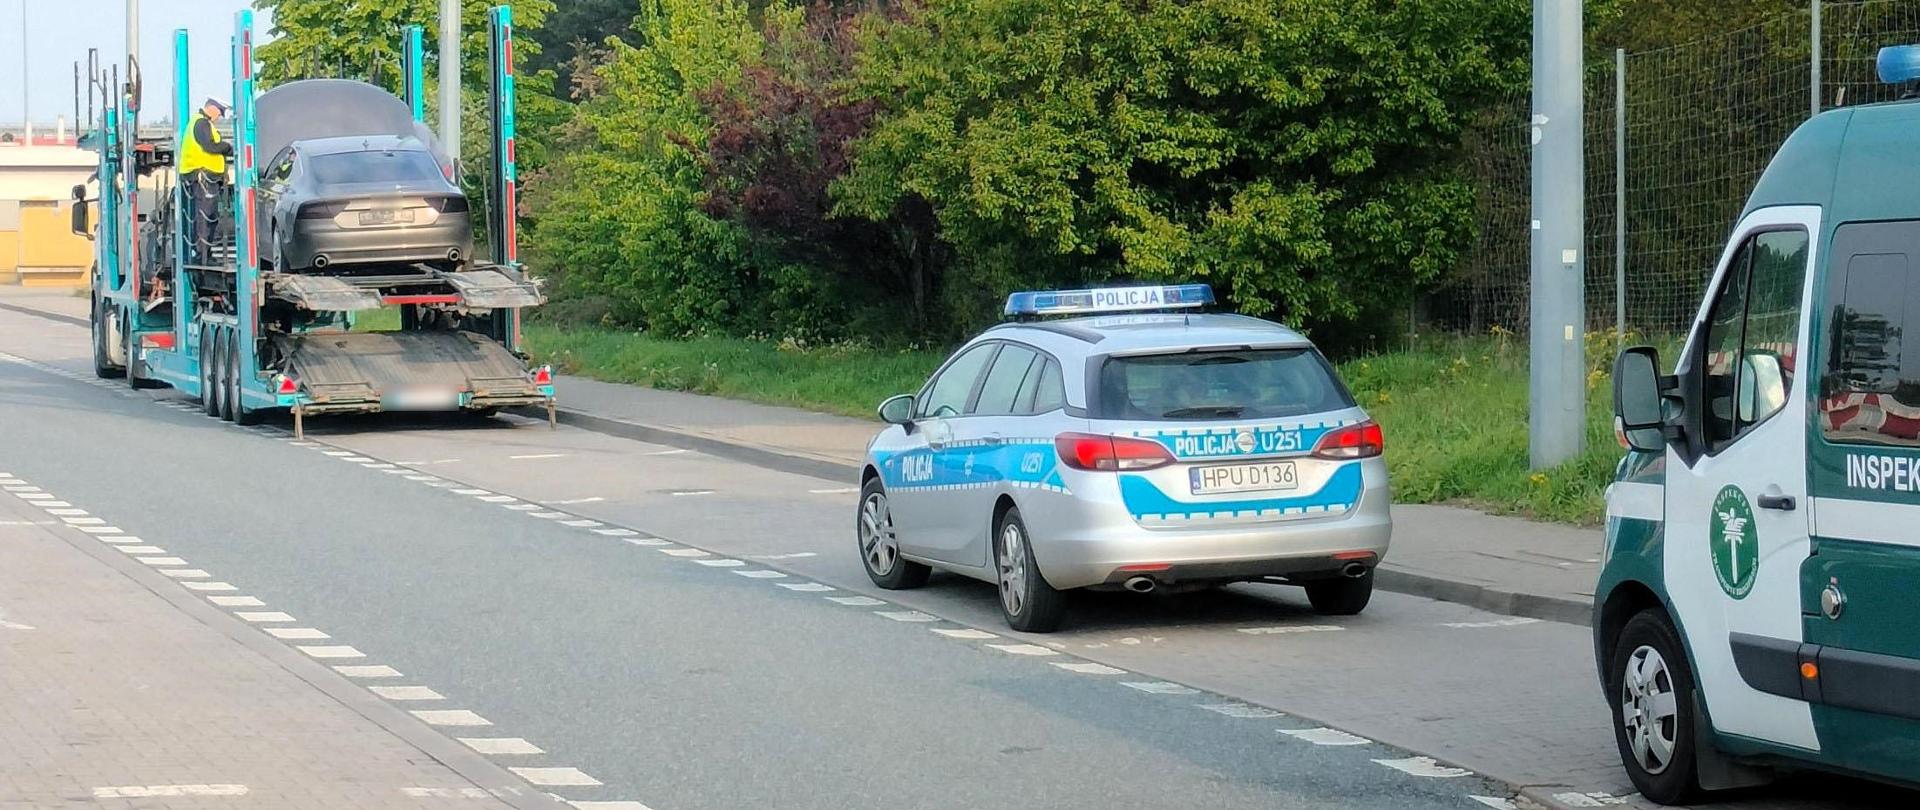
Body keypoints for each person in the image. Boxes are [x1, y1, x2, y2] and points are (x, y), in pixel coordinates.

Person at [176, 98, 234, 265]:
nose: (220, 117)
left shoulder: (201, 123)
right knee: (205, 216)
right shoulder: (201, 123)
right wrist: (228, 147)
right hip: (202, 178)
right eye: (220, 112)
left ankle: (204, 254)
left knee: (209, 215)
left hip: (205, 178)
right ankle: (203, 255)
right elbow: (210, 146)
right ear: (212, 108)